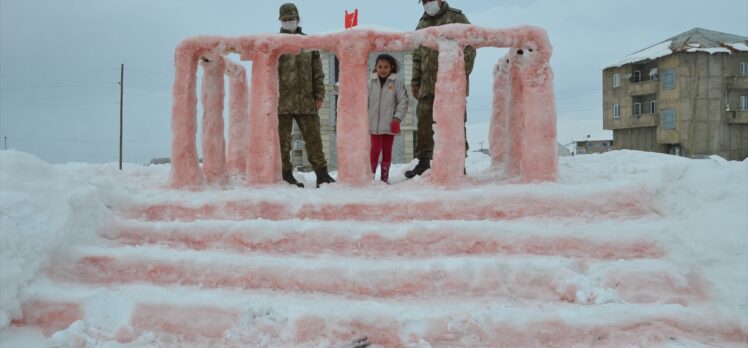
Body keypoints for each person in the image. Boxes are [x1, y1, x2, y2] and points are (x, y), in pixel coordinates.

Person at [406, 0, 476, 179]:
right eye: (424, 1)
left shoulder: (456, 17)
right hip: (427, 85)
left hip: (451, 87)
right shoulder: (421, 24)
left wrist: (460, 73)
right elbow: (416, 55)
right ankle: (423, 163)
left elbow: (470, 45)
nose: (428, 3)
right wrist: (415, 82)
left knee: (455, 123)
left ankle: (459, 164)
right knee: (423, 123)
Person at [277, 3, 336, 188]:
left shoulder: (309, 44)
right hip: (282, 103)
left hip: (307, 101)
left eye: (291, 19)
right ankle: (286, 175)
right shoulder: (275, 43)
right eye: (285, 20)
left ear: (298, 19)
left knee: (314, 139)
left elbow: (318, 72)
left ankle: (322, 175)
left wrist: (319, 94)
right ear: (280, 21)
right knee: (282, 142)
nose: (289, 22)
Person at [367, 54, 408, 184]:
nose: (383, 69)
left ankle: (384, 178)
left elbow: (403, 101)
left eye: (386, 67)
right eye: (380, 67)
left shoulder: (397, 83)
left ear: (391, 68)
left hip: (390, 125)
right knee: (374, 151)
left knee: (386, 151)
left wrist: (397, 118)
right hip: (373, 125)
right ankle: (371, 178)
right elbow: (363, 101)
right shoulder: (370, 83)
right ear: (375, 67)